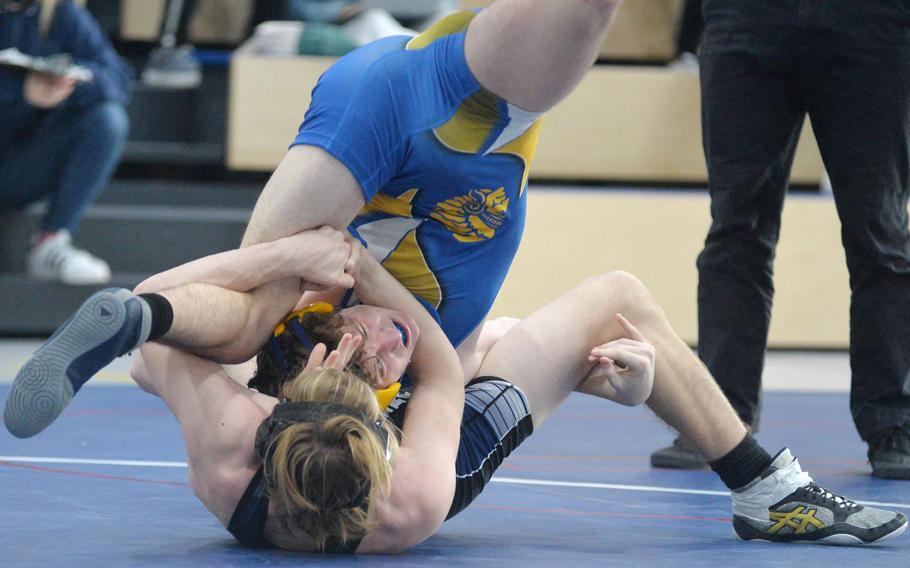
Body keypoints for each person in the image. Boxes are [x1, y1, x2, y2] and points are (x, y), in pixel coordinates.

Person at [5, 226, 907, 550]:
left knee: (166, 352)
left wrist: (280, 259)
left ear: (275, 404)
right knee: (606, 307)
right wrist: (359, 268)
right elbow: (440, 360)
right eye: (371, 354)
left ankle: (134, 309)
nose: (372, 333)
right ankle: (765, 487)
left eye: (350, 341)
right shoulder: (419, 488)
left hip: (309, 419)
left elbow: (155, 363)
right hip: (441, 456)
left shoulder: (230, 456)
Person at [650, 0, 910, 478]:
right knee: (736, 228)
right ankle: (719, 417)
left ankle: (893, 422)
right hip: (748, 15)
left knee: (881, 235)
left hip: (872, 19)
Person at [0, 0, 131, 285]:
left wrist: (66, 81)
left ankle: (50, 241)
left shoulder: (55, 11)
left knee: (107, 118)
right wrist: (19, 94)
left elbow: (118, 77)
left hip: (21, 168)